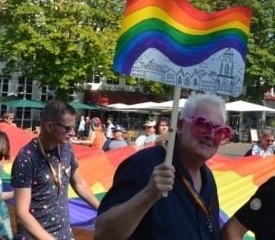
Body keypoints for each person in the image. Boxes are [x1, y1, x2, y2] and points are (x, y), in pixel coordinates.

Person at [95, 92, 230, 239]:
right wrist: (148, 195)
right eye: (202, 125)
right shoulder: (144, 165)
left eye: (220, 131)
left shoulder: (208, 178)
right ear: (180, 125)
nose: (211, 135)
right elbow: (103, 234)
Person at [11, 100, 99, 239]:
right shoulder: (27, 158)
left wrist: (102, 209)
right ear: (49, 126)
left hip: (64, 234)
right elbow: (22, 214)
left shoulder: (66, 148)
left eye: (73, 127)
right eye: (67, 128)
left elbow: (78, 182)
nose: (72, 133)